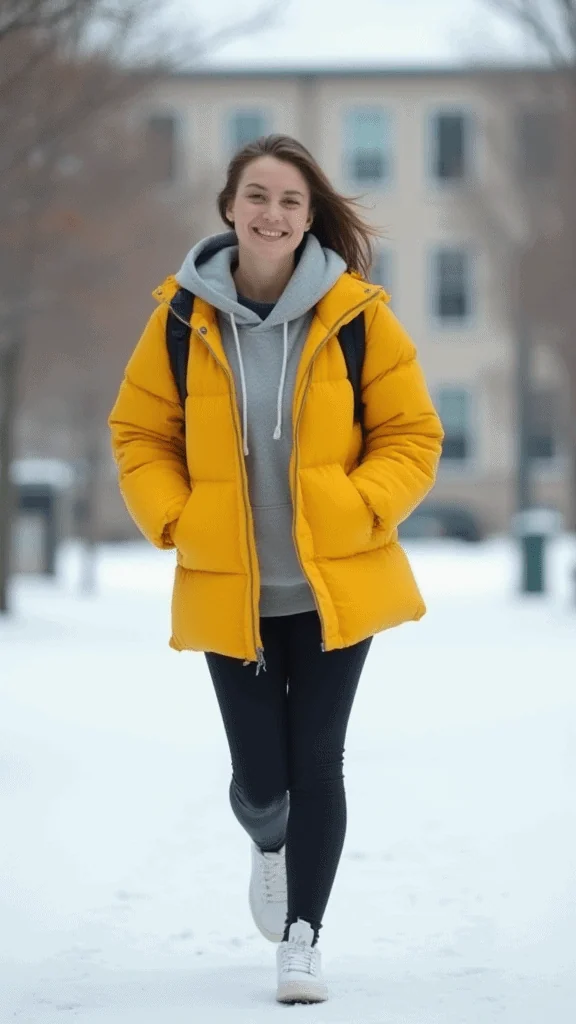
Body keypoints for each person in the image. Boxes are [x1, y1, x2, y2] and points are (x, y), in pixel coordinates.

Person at [108, 134, 444, 1005]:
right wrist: (178, 518)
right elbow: (138, 434)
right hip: (234, 587)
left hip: (336, 587)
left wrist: (361, 505)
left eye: (291, 200)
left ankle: (304, 938)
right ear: (230, 207)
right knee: (262, 780)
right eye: (257, 196)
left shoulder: (357, 315)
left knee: (318, 761)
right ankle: (269, 840)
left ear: (308, 217)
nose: (273, 213)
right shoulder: (181, 319)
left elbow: (412, 435)